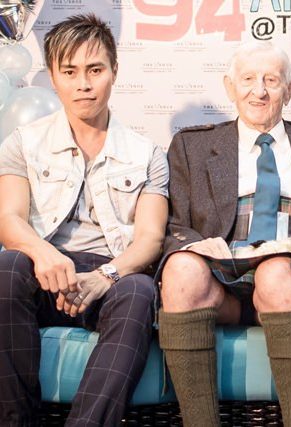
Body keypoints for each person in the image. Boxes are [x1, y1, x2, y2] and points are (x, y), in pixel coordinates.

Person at [158, 41, 291, 427]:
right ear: (229, 87)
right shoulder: (192, 146)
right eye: (248, 79)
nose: (260, 91)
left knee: (276, 273)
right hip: (220, 274)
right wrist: (199, 246)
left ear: (290, 89)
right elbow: (174, 227)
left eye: (271, 80)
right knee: (181, 270)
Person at [0, 14, 169, 426]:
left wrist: (106, 276)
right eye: (70, 71)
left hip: (110, 272)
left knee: (140, 289)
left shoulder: (147, 153)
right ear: (53, 77)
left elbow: (150, 238)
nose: (84, 84)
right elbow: (9, 218)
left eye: (95, 70)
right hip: (43, 269)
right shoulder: (24, 142)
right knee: (7, 266)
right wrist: (43, 254)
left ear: (114, 71)